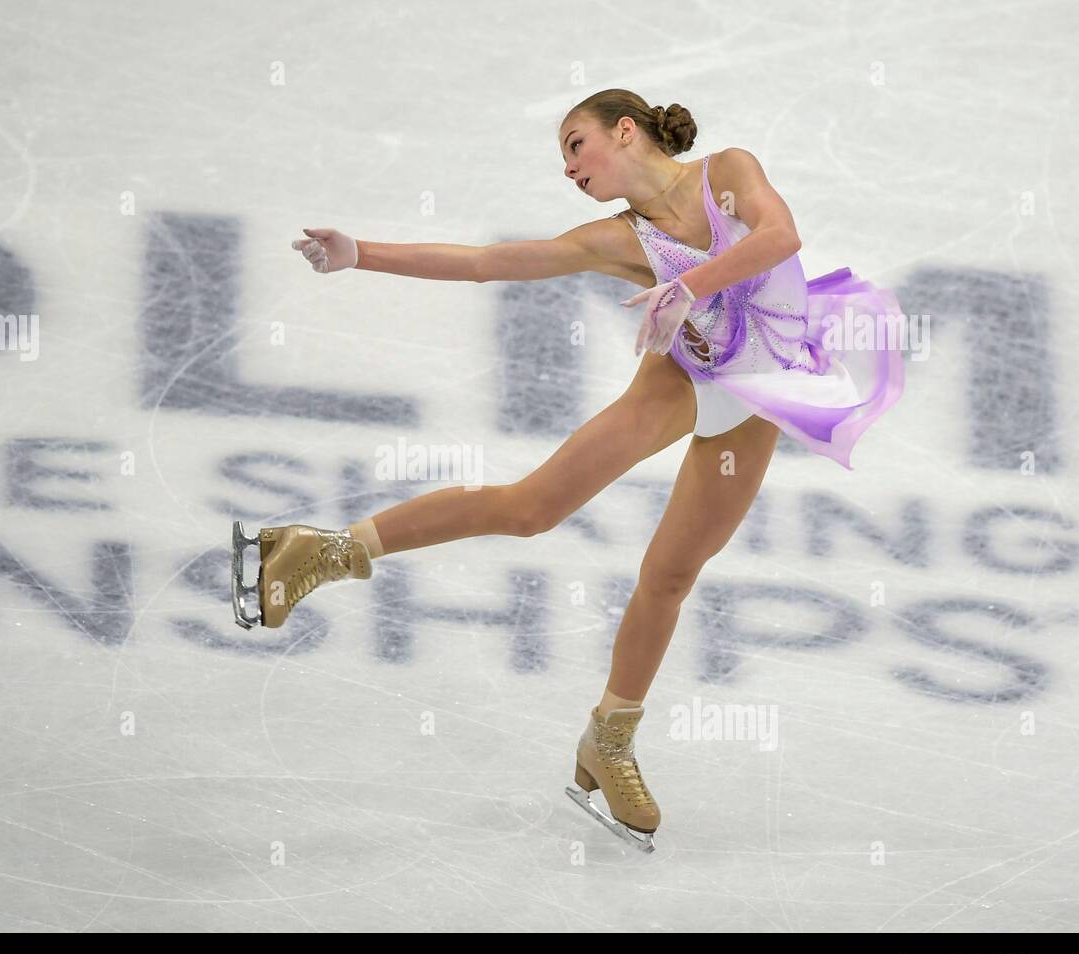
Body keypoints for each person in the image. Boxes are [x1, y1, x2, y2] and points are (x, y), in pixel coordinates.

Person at [231, 88, 906, 851]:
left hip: (765, 391)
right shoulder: (615, 240)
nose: (568, 167)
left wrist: (688, 286)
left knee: (673, 575)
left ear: (625, 131)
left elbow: (781, 236)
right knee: (530, 509)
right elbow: (489, 264)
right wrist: (363, 254)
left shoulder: (726, 171)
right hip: (686, 380)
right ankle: (317, 551)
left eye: (576, 145)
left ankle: (608, 741)